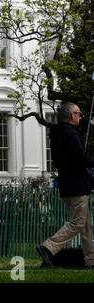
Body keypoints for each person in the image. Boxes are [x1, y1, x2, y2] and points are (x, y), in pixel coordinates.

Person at [37, 102, 94, 269]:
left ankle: (90, 260)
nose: (80, 116)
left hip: (67, 183)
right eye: (78, 113)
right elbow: (81, 159)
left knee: (85, 225)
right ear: (71, 116)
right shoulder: (70, 134)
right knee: (78, 222)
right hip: (76, 184)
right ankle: (48, 247)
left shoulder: (58, 134)